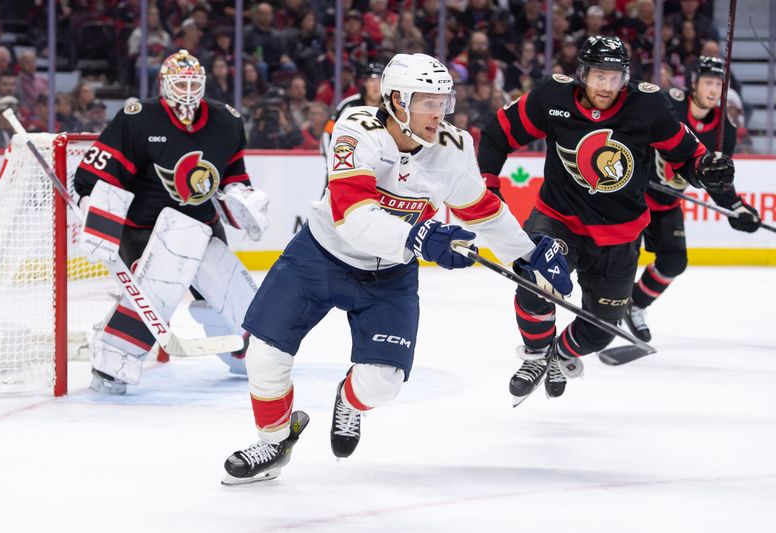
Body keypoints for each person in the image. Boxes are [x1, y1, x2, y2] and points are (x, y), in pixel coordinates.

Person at [221, 53, 572, 484]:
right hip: (319, 256)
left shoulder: (454, 147)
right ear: (395, 101)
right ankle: (274, 442)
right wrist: (418, 236)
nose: (438, 112)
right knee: (265, 355)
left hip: (389, 275)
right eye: (425, 101)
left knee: (382, 382)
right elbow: (354, 216)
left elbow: (481, 211)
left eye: (443, 101)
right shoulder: (356, 129)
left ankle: (348, 403)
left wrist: (526, 255)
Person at [478, 36, 739, 403]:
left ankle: (560, 355)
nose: (606, 86)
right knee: (534, 284)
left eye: (614, 77)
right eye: (599, 76)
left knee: (600, 331)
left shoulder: (647, 105)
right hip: (557, 220)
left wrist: (707, 169)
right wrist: (489, 186)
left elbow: (687, 155)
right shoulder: (552, 97)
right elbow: (497, 135)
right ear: (582, 74)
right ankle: (536, 355)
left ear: (626, 78)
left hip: (620, 237)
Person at [73, 50, 270, 394]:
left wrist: (242, 198)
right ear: (164, 84)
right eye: (180, 82)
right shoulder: (138, 118)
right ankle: (112, 365)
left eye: (194, 83)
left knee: (229, 290)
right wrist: (92, 207)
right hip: (144, 230)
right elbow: (97, 175)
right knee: (153, 293)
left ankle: (246, 354)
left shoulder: (226, 120)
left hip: (203, 224)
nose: (188, 90)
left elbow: (233, 176)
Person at [625, 56, 761, 341]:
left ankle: (635, 304)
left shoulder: (726, 130)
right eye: (708, 82)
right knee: (622, 260)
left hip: (666, 203)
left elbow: (718, 180)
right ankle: (603, 313)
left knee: (674, 262)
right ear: (693, 83)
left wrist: (737, 208)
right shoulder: (669, 104)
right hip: (632, 198)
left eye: (718, 84)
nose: (713, 90)